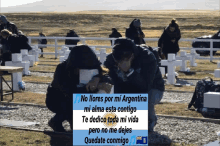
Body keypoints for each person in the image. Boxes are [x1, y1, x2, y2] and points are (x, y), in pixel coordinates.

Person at [46, 45, 112, 132]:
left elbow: (107, 75)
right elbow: (71, 92)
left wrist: (98, 78)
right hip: (58, 99)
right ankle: (56, 121)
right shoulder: (61, 70)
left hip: (78, 97)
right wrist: (92, 88)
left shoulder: (92, 66)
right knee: (70, 106)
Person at [104, 38, 165, 132]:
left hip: (153, 88)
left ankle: (149, 122)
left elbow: (145, 87)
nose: (119, 63)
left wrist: (129, 72)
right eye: (117, 60)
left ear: (132, 55)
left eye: (122, 59)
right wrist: (98, 79)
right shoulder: (112, 59)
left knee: (145, 99)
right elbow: (106, 74)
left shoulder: (147, 57)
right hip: (125, 89)